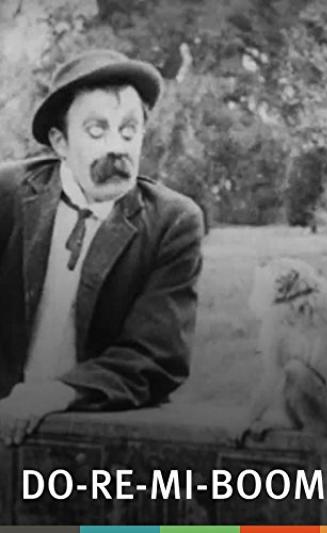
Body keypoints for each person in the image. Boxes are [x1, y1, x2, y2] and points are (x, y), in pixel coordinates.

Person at [0, 49, 204, 446]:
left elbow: (156, 356)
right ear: (60, 141)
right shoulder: (6, 197)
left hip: (100, 438)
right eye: (96, 131)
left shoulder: (173, 222)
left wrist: (57, 394)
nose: (117, 148)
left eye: (129, 131)